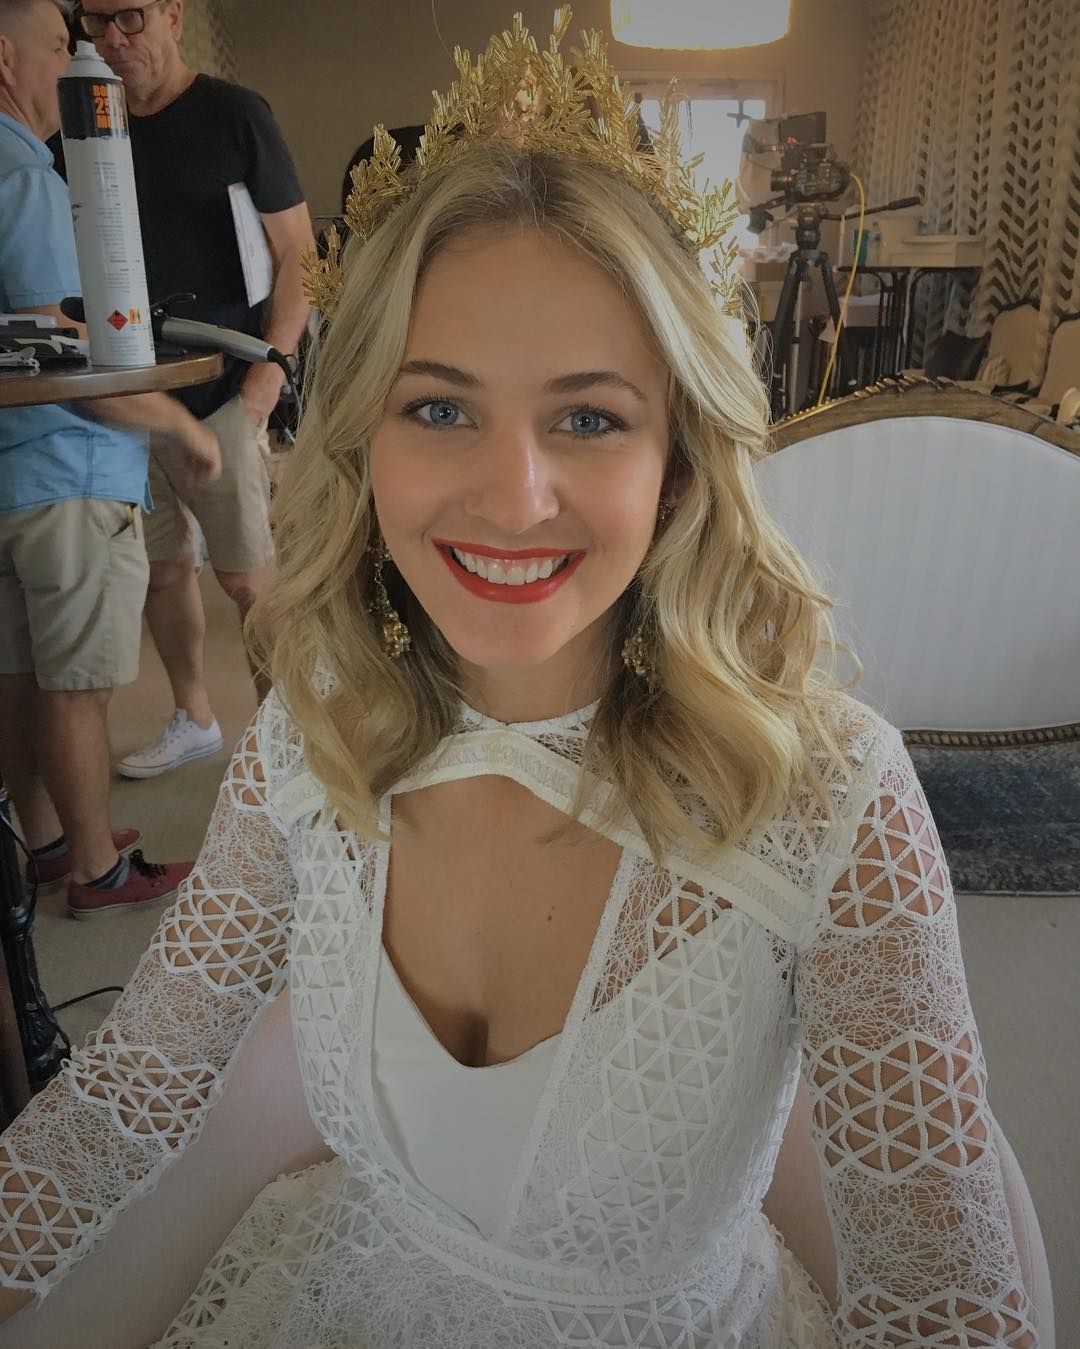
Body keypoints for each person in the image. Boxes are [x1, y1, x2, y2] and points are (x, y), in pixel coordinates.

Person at [0, 13, 1042, 1346]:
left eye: (589, 416)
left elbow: (948, 1297)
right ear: (364, 432)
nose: (512, 495)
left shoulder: (830, 798)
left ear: (679, 459)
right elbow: (126, 1099)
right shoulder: (313, 735)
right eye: (440, 407)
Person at [0, 0, 221, 917]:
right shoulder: (26, 180)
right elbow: (65, 354)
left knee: (20, 674)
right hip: (69, 471)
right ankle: (96, 869)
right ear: (5, 58)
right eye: (63, 45)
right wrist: (177, 425)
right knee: (77, 688)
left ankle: (48, 839)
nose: (78, 62)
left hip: (14, 480)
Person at [75, 0, 314, 777]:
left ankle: (285, 742)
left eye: (131, 17)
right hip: (130, 392)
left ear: (174, 16)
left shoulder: (235, 115)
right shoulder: (89, 127)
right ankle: (194, 715)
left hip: (224, 389)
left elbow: (299, 253)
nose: (114, 38)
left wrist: (266, 378)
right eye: (95, 21)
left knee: (247, 577)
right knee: (164, 568)